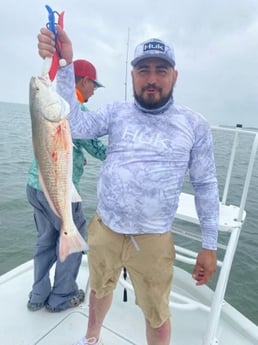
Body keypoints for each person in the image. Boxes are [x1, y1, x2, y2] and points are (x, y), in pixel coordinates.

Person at [37, 26, 219, 345]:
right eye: (143, 70)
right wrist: (66, 65)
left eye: (160, 70)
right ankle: (91, 338)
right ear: (133, 75)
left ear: (174, 76)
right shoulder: (116, 112)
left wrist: (209, 243)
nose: (152, 78)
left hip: (153, 238)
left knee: (157, 312)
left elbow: (205, 185)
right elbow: (76, 125)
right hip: (105, 228)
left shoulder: (195, 125)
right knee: (98, 289)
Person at [26, 58, 107, 313]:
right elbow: (98, 149)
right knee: (72, 234)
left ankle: (37, 296)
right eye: (94, 85)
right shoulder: (75, 111)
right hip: (59, 192)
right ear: (83, 81)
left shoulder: (58, 108)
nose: (94, 91)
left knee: (45, 241)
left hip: (35, 188)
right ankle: (62, 296)